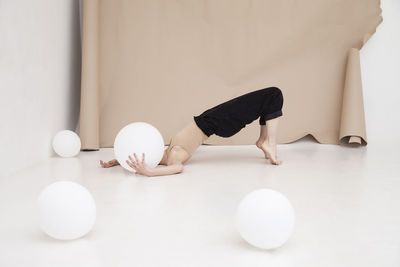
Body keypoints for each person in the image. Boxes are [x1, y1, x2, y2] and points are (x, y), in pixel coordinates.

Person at [100, 87, 284, 177]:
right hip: (218, 122)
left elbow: (144, 155)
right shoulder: (174, 156)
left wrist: (119, 161)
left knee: (267, 101)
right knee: (274, 94)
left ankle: (263, 140)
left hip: (210, 118)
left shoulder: (162, 154)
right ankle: (269, 143)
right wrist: (148, 172)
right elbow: (177, 168)